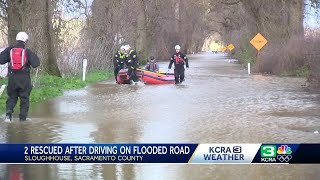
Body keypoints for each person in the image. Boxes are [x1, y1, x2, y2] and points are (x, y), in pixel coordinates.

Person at [0, 32, 40, 121]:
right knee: (24, 99)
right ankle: (22, 120)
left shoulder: (10, 50)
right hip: (24, 79)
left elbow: (1, 60)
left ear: (17, 39)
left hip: (12, 78)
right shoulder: (27, 51)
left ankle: (8, 115)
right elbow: (36, 64)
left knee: (11, 97)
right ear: (25, 40)